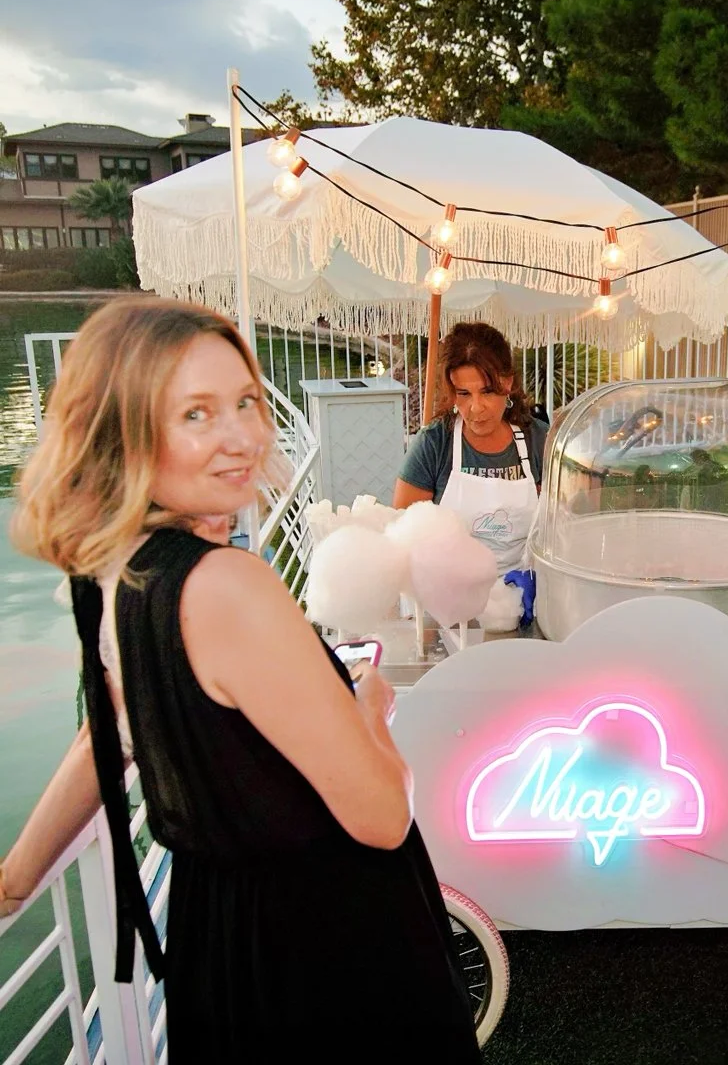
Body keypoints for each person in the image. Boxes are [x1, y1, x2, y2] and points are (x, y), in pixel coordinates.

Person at [0, 299, 481, 1063]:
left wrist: (15, 878)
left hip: (220, 938)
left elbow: (108, 736)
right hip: (322, 944)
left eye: (247, 402)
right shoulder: (228, 584)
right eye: (197, 413)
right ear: (125, 433)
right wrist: (369, 706)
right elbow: (384, 816)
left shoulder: (122, 574)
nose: (244, 436)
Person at [393, 321, 548, 575]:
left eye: (487, 392)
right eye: (464, 393)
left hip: (523, 592)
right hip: (449, 592)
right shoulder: (434, 444)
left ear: (508, 383)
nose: (476, 407)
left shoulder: (538, 440)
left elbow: (562, 526)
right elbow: (403, 535)